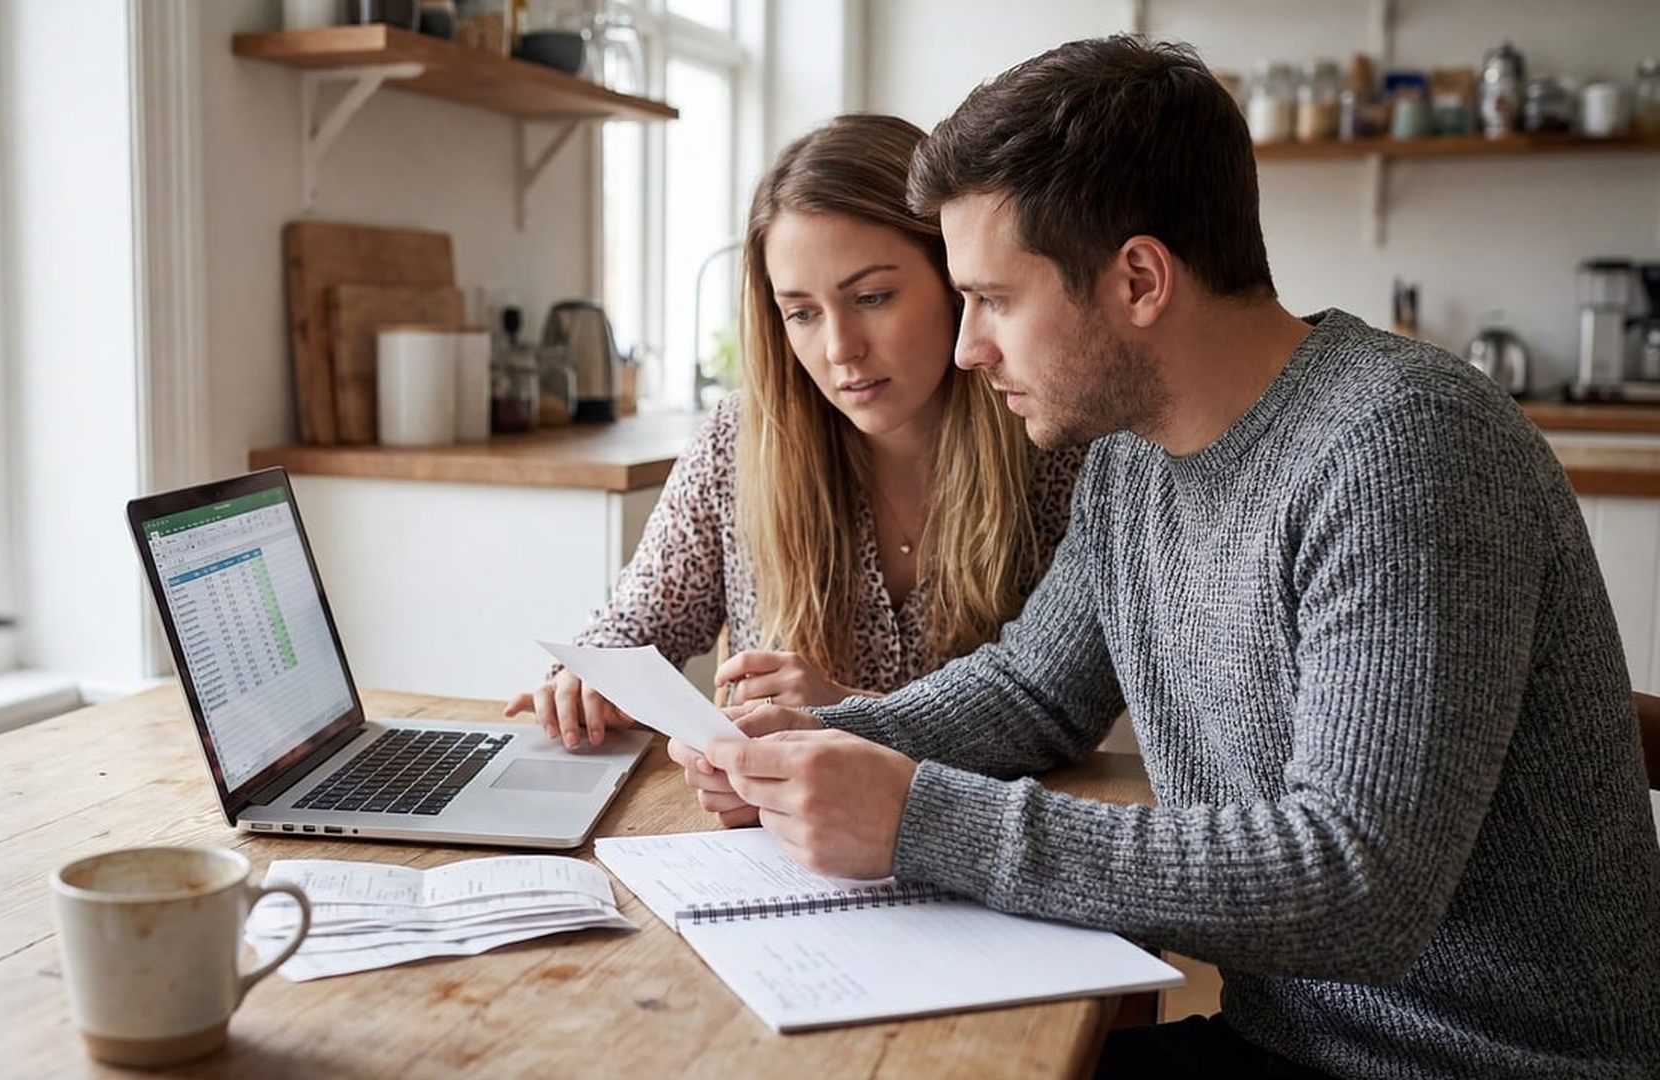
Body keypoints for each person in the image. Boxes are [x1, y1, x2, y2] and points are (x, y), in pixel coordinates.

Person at [673, 37, 1660, 1080]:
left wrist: (919, 819)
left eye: (995, 300)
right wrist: (823, 745)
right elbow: (1031, 691)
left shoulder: (1405, 446)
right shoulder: (1133, 462)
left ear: (1139, 278)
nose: (967, 349)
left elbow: (1353, 883)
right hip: (1295, 1042)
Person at [505, 113, 1083, 749]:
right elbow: (638, 625)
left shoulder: (1055, 445)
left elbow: (1051, 715)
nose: (840, 349)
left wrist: (841, 711)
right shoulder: (739, 441)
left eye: (872, 298)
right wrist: (588, 678)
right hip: (757, 836)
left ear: (955, 281)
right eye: (802, 313)